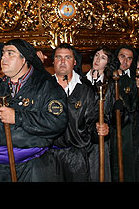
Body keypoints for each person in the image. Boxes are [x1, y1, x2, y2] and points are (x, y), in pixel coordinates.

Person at [0, 38, 68, 182]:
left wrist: (18, 117)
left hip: (30, 168)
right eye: (3, 54)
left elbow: (57, 122)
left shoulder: (46, 86)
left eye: (10, 54)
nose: (4, 58)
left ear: (24, 59)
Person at [50, 43, 108, 182]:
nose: (63, 62)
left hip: (76, 156)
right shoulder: (45, 87)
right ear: (53, 61)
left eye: (67, 57)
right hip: (48, 156)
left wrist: (101, 129)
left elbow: (93, 122)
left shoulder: (85, 88)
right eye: (59, 57)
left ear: (74, 61)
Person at [109, 44, 139, 182]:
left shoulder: (134, 79)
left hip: (129, 128)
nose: (125, 61)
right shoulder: (107, 76)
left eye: (129, 58)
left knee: (129, 163)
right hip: (110, 129)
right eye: (122, 56)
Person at [85, 46, 116, 181]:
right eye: (97, 55)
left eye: (103, 58)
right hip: (81, 134)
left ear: (107, 63)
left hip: (99, 134)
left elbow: (110, 111)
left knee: (98, 171)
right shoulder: (80, 79)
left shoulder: (109, 85)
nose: (97, 59)